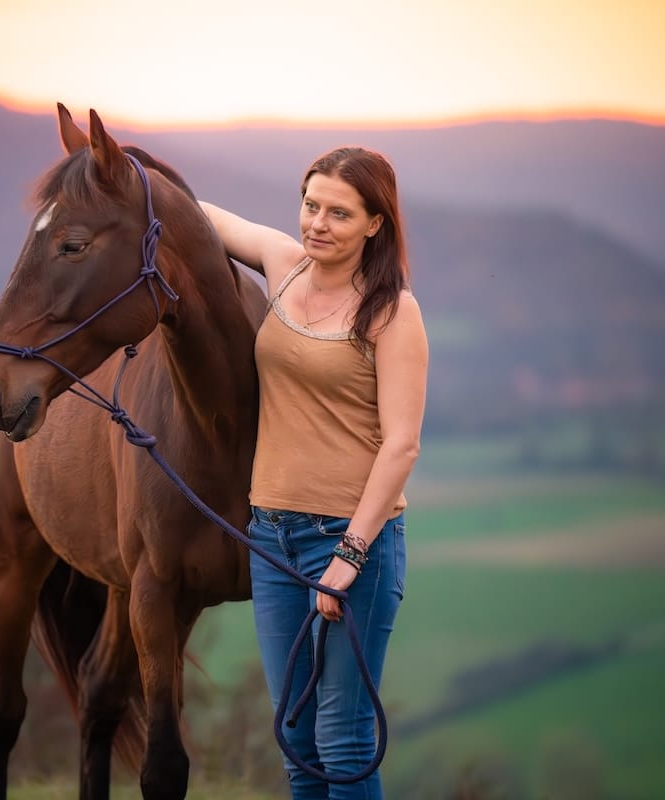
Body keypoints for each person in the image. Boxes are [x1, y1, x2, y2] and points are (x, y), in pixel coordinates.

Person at [200, 146, 427, 799]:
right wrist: (125, 176)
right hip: (272, 540)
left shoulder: (391, 312)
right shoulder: (283, 266)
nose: (318, 223)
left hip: (352, 542)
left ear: (374, 224)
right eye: (311, 205)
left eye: (340, 213)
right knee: (297, 741)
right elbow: (203, 217)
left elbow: (402, 446)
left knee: (344, 742)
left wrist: (349, 556)